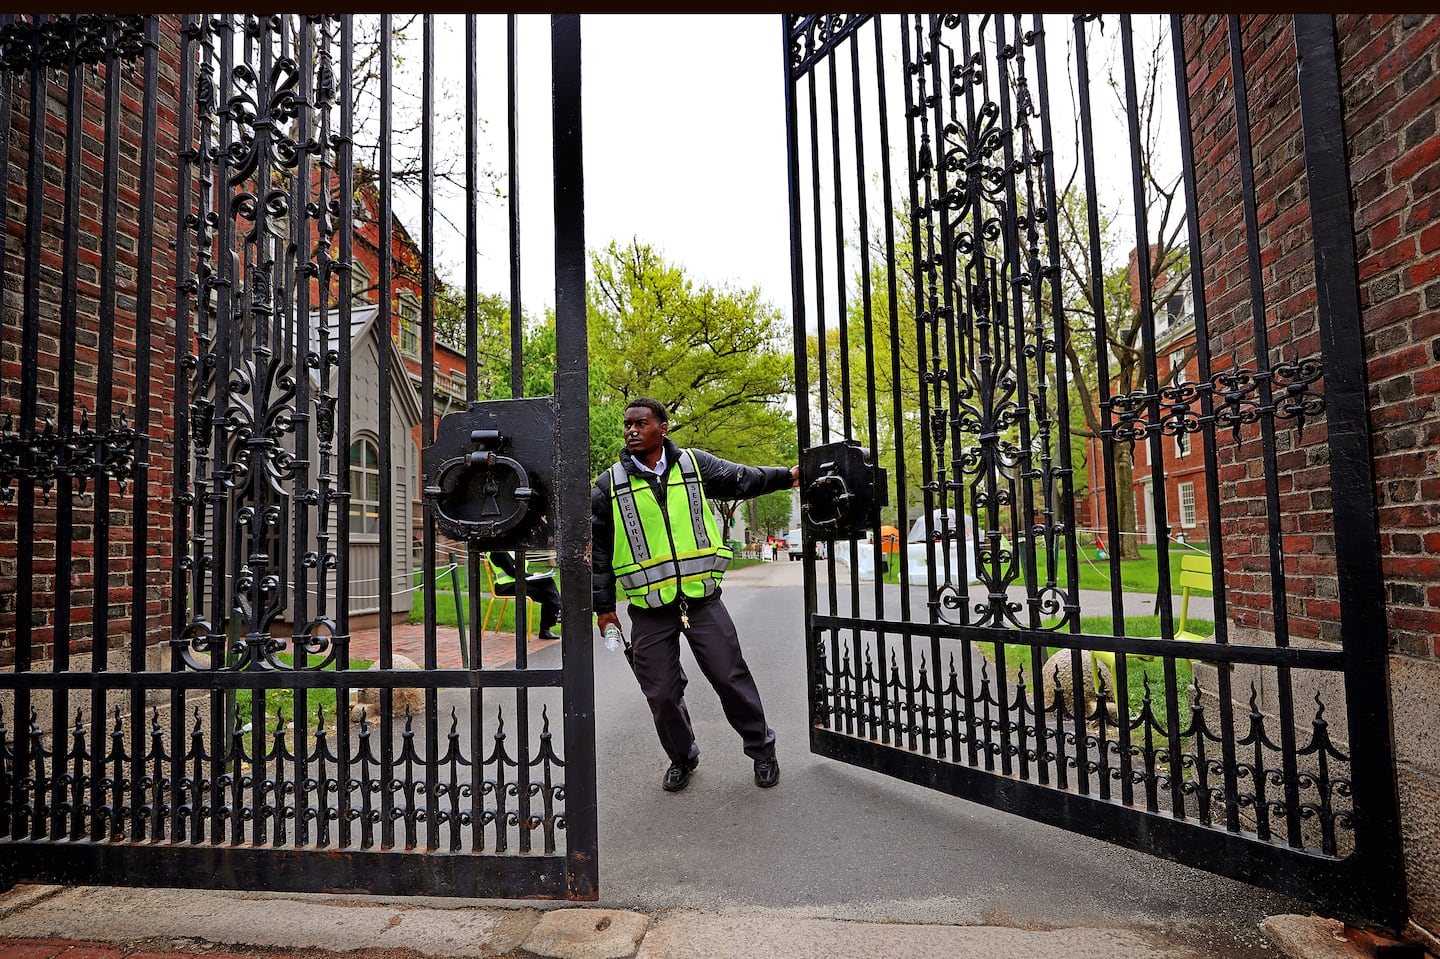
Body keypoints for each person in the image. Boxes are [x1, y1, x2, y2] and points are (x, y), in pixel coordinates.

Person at [592, 397, 798, 793]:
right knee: (661, 693)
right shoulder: (608, 485)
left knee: (730, 676)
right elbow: (599, 552)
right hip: (649, 609)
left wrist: (787, 476)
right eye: (627, 425)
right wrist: (604, 609)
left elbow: (743, 478)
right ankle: (682, 758)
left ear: (662, 428)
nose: (631, 430)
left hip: (701, 601)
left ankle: (762, 751)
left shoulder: (694, 465)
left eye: (641, 423)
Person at [488, 550, 561, 640]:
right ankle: (556, 615)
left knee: (547, 584)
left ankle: (556, 614)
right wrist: (532, 575)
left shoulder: (511, 549)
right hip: (506, 586)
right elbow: (512, 572)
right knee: (547, 593)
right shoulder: (497, 552)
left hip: (518, 582)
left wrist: (534, 576)